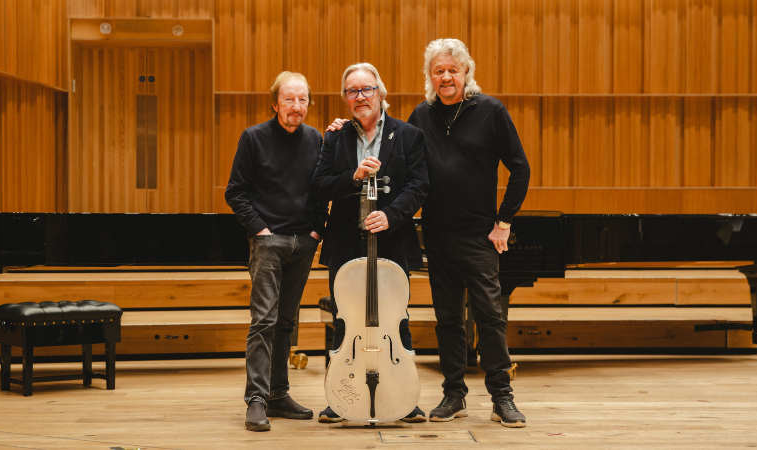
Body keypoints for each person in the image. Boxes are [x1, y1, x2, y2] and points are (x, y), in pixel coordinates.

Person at [407, 38, 531, 427]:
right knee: (446, 319)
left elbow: (520, 168)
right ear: (430, 76)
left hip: (479, 234)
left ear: (466, 73)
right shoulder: (420, 116)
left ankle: (502, 397)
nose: (446, 77)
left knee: (489, 317)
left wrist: (504, 222)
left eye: (452, 70)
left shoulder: (490, 111)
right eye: (438, 70)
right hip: (437, 235)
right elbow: (399, 158)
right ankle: (453, 394)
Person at [310, 63, 429, 423]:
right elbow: (319, 185)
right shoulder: (335, 137)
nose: (360, 97)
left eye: (366, 89)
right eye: (352, 91)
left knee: (397, 318)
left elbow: (420, 185)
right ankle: (339, 398)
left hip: (392, 240)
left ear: (380, 92)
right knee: (344, 319)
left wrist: (392, 215)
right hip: (346, 239)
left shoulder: (408, 134)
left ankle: (404, 397)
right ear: (345, 99)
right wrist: (353, 176)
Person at [225, 71, 327, 432]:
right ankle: (256, 398)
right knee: (264, 322)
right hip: (268, 243)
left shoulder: (316, 139)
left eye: (302, 100)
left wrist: (317, 230)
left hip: (303, 243)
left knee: (287, 322)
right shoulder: (253, 138)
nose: (296, 106)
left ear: (308, 104)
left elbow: (321, 189)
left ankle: (279, 394)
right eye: (289, 99)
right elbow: (235, 192)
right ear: (275, 103)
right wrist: (261, 230)